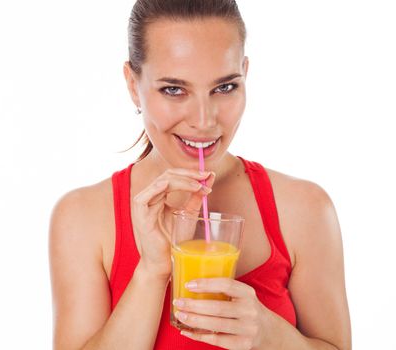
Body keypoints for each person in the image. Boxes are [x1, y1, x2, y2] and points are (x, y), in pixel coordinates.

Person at [48, 1, 351, 349]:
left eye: (224, 88)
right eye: (174, 90)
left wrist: (269, 334)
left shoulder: (305, 209)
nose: (204, 120)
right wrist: (151, 271)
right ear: (133, 85)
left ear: (245, 75)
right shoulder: (81, 217)